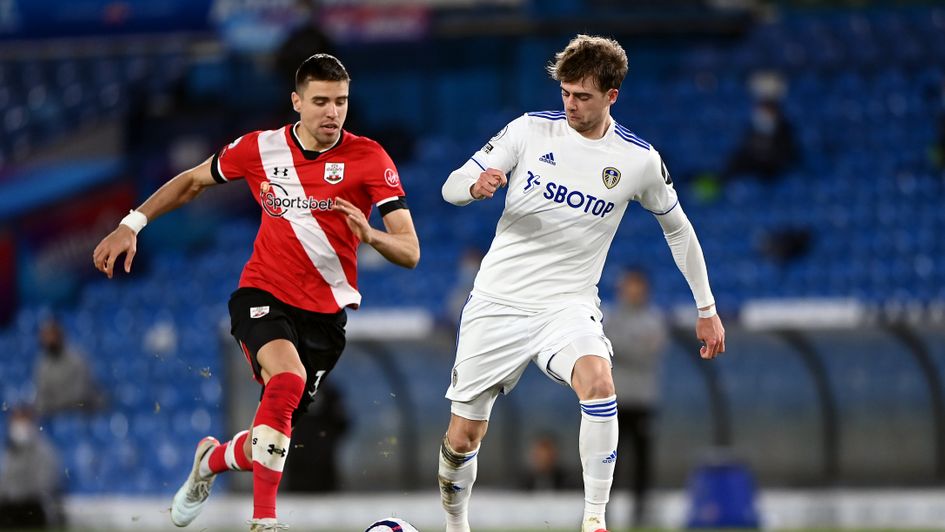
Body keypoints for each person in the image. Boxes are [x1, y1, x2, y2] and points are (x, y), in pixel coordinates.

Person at [92, 53, 420, 532]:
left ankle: (210, 461)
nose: (332, 112)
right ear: (297, 102)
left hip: (325, 320)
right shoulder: (259, 148)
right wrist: (131, 223)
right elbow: (192, 182)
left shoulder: (369, 158)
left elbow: (410, 250)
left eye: (341, 102)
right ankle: (264, 521)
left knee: (269, 439)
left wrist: (372, 237)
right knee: (287, 379)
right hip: (262, 294)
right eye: (321, 101)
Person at [437, 34, 725, 532]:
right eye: (565, 93)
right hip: (497, 302)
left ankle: (594, 519)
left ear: (612, 95)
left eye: (583, 96)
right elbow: (450, 186)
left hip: (567, 306)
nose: (570, 104)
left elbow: (679, 230)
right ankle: (455, 524)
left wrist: (707, 308)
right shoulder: (529, 130)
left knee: (599, 382)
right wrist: (474, 186)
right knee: (464, 437)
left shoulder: (638, 160)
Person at [602, 268, 668, 527]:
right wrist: (630, 344)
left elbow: (646, 351)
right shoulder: (610, 316)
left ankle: (641, 512)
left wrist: (619, 344)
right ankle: (600, 511)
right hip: (613, 401)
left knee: (642, 461)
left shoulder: (654, 319)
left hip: (642, 401)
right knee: (607, 459)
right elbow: (606, 346)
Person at [0, 406, 63, 529]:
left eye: (23, 420)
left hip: (34, 506)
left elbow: (45, 484)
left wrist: (19, 494)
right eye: (16, 420)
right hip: (9, 506)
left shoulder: (45, 451)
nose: (19, 426)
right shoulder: (8, 452)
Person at [33, 316, 104, 416]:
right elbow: (42, 397)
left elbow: (80, 396)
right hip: (55, 413)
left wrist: (53, 405)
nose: (50, 340)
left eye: (52, 335)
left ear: (60, 335)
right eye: (46, 336)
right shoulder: (42, 365)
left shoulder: (77, 359)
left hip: (83, 410)